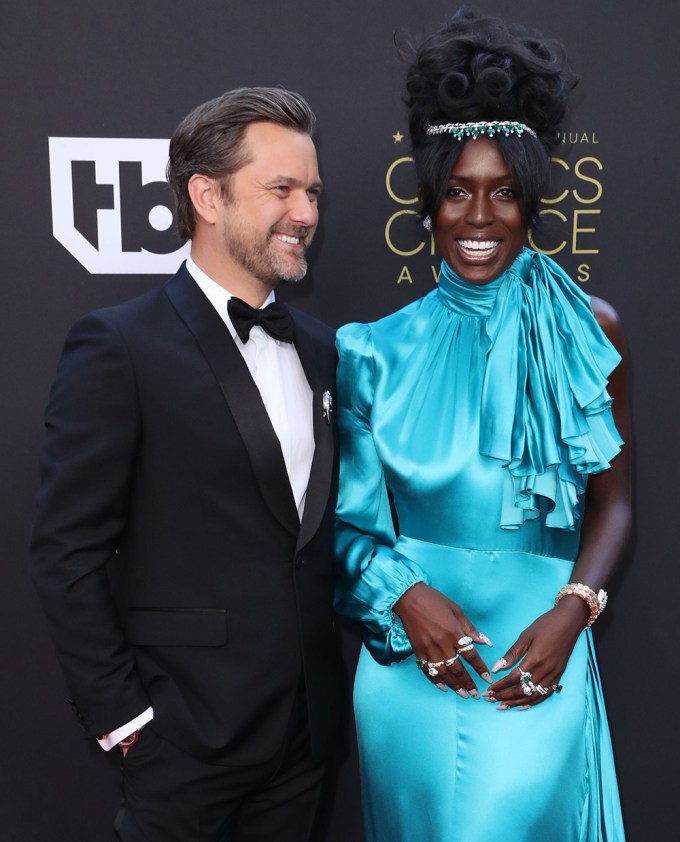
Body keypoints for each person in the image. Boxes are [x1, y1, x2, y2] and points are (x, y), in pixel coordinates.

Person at [334, 10, 630, 841]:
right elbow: (349, 532)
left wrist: (572, 614)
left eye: (503, 192)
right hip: (411, 671)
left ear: (531, 201)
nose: (479, 217)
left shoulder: (590, 329)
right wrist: (409, 596)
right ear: (427, 203)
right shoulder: (369, 352)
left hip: (542, 657)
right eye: (458, 191)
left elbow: (617, 505)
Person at [31, 86, 340, 842]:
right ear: (207, 195)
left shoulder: (322, 350)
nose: (304, 212)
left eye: (312, 193)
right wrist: (124, 718)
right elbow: (66, 549)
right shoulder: (119, 346)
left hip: (303, 738)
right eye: (280, 189)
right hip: (183, 740)